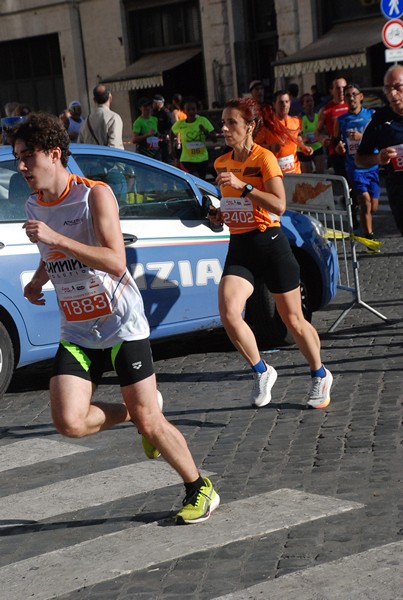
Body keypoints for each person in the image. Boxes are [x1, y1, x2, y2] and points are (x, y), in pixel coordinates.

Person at [11, 112, 219, 525]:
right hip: (77, 329)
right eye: (18, 157)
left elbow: (114, 260)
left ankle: (200, 487)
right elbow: (53, 256)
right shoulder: (35, 203)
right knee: (69, 421)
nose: (21, 167)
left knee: (150, 419)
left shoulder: (94, 196)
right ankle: (135, 412)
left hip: (121, 323)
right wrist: (37, 281)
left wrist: (54, 238)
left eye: (27, 157)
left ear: (54, 155)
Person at [210, 97, 333, 409]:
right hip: (240, 247)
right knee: (228, 311)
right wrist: (220, 214)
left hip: (270, 243)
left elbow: (279, 204)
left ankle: (319, 373)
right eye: (223, 122)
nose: (224, 128)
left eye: (231, 123)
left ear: (250, 126)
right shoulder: (221, 162)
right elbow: (233, 205)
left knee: (293, 320)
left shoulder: (264, 158)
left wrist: (244, 186)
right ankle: (261, 370)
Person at [356, 64, 403, 237]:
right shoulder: (380, 120)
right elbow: (359, 159)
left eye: (397, 87)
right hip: (399, 191)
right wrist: (378, 159)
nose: (392, 93)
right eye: (387, 88)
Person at [334, 84, 380, 242]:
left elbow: (379, 137)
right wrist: (338, 148)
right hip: (354, 167)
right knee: (366, 202)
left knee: (373, 207)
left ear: (361, 96)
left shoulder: (371, 115)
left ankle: (354, 205)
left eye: (354, 94)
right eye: (348, 95)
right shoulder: (340, 120)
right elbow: (336, 142)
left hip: (372, 165)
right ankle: (369, 237)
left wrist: (361, 138)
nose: (351, 98)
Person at [256, 90, 313, 174]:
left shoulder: (296, 121)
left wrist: (303, 147)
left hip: (295, 172)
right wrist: (270, 147)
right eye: (280, 102)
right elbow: (255, 146)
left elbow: (297, 138)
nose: (284, 105)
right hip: (275, 173)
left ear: (290, 103)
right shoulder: (267, 125)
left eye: (287, 102)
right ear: (274, 104)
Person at [171, 97, 216, 180]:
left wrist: (205, 132)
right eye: (188, 109)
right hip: (187, 159)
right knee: (195, 178)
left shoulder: (203, 121)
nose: (191, 112)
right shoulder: (180, 124)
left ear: (197, 110)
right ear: (184, 111)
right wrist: (172, 148)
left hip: (202, 159)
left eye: (193, 109)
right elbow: (171, 133)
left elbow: (214, 139)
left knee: (201, 180)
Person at [314, 76, 348, 177]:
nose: (341, 90)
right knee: (343, 185)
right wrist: (322, 139)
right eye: (338, 88)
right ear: (331, 91)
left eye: (344, 88)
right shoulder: (325, 110)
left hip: (353, 151)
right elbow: (317, 132)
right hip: (336, 152)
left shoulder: (352, 106)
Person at [78, 84, 124, 149]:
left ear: (94, 100)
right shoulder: (114, 118)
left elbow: (80, 144)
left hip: (90, 158)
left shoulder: (86, 121)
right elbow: (115, 147)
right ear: (110, 98)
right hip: (107, 158)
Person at [297, 93, 325, 174]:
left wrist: (321, 136)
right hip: (304, 149)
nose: (310, 103)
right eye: (307, 101)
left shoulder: (318, 116)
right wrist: (304, 139)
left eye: (311, 101)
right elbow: (296, 135)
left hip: (317, 146)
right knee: (308, 175)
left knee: (321, 172)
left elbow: (323, 131)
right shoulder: (300, 118)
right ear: (303, 105)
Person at [152, 94, 173, 164]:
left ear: (158, 103)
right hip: (154, 139)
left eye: (154, 103)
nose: (153, 104)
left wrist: (166, 136)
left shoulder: (166, 113)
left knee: (165, 159)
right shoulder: (153, 113)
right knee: (153, 158)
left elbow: (171, 127)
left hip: (164, 140)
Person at [170, 93, 187, 166]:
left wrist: (178, 140)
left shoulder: (176, 112)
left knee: (177, 160)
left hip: (181, 139)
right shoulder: (184, 112)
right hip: (186, 138)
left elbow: (177, 126)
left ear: (173, 101)